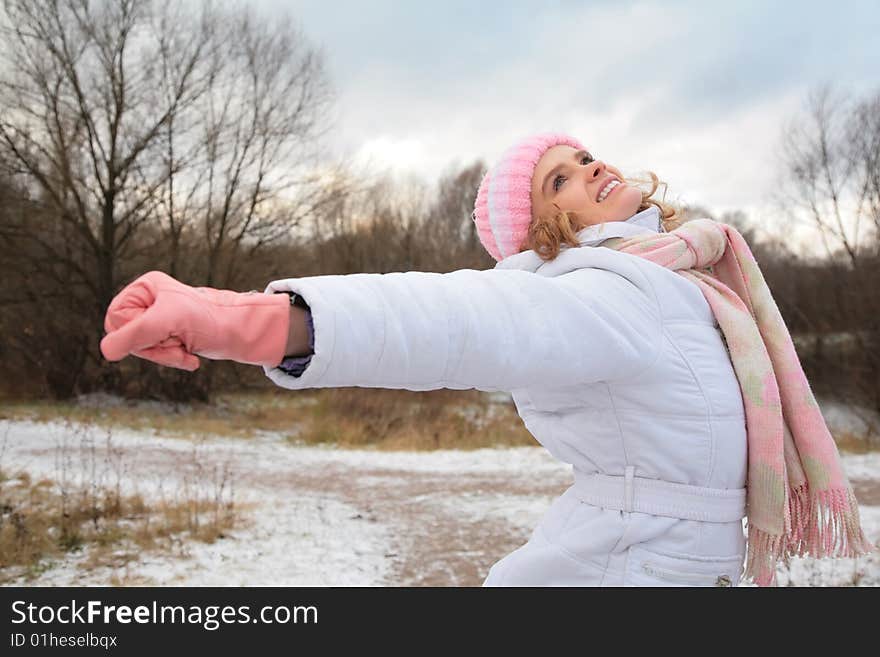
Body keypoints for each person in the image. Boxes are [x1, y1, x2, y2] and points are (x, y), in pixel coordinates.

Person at [100, 132, 874, 587]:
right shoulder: (593, 293)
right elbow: (447, 320)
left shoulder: (686, 277)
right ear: (541, 231)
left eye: (584, 156)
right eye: (559, 180)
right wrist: (241, 318)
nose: (591, 168)